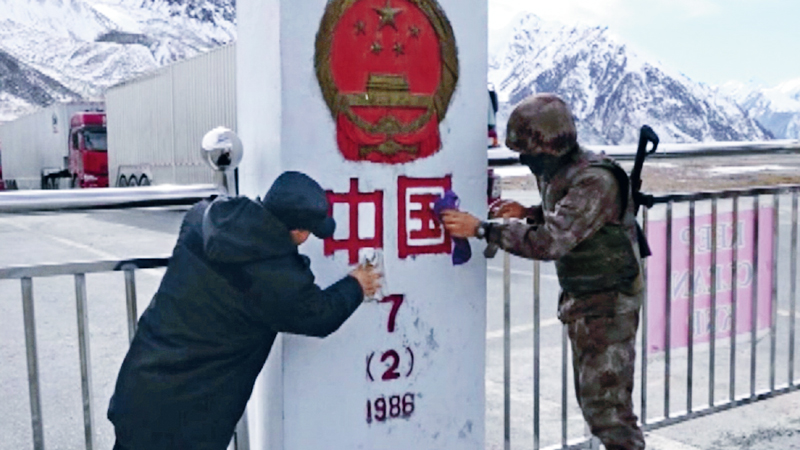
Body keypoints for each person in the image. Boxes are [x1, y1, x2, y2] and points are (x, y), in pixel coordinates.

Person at [108, 171, 381, 450]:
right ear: (299, 232)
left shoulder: (202, 217)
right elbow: (321, 315)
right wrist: (357, 284)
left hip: (140, 387)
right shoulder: (277, 278)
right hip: (187, 420)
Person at [442, 93, 646, 450]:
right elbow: (569, 214)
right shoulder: (561, 170)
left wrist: (482, 229)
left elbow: (551, 241)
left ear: (552, 145)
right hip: (588, 298)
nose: (525, 160)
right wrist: (530, 212)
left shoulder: (594, 180)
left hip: (608, 303)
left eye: (530, 152)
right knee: (596, 402)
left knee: (609, 411)